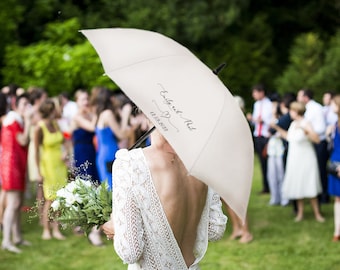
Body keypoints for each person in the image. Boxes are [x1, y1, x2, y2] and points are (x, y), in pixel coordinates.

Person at [103, 127, 227, 269]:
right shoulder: (202, 161)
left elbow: (130, 252)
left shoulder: (129, 164)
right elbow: (215, 229)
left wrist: (117, 226)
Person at [271, 101, 324, 222]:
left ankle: (317, 214)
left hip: (306, 157)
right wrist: (276, 127)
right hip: (294, 158)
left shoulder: (306, 123)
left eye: (291, 111)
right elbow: (289, 137)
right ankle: (300, 213)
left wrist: (306, 130)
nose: (290, 113)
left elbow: (317, 139)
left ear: (296, 111)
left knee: (310, 183)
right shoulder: (293, 124)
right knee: (298, 184)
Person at [70, 89, 102, 246]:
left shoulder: (89, 114)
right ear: (76, 101)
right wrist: (96, 112)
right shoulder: (77, 116)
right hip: (81, 152)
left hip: (91, 150)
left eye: (87, 98)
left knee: (94, 185)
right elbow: (91, 128)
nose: (86, 102)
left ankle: (86, 222)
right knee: (85, 185)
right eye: (82, 99)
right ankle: (82, 222)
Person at [1, 93, 31, 253]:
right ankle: (6, 240)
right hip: (11, 167)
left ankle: (17, 237)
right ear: (15, 106)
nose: (27, 107)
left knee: (17, 204)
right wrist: (27, 121)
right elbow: (23, 140)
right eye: (24, 104)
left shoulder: (13, 120)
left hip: (16, 165)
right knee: (12, 204)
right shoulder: (14, 121)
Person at [34, 99, 69, 240]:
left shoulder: (56, 124)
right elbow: (35, 151)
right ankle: (46, 229)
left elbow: (64, 140)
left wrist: (66, 152)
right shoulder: (39, 127)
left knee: (60, 198)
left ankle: (56, 228)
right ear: (50, 110)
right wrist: (38, 171)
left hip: (59, 165)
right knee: (49, 198)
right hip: (48, 165)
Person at [92, 87, 130, 190]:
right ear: (111, 98)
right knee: (115, 188)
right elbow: (121, 135)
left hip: (102, 155)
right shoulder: (108, 113)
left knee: (108, 188)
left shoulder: (99, 113)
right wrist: (125, 115)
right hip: (110, 154)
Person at [297, 89, 328, 203]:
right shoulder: (309, 108)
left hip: (319, 142)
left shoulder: (315, 108)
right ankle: (317, 195)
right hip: (311, 142)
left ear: (305, 97)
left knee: (320, 170)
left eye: (299, 96)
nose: (298, 98)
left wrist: (309, 131)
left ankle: (324, 197)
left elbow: (321, 128)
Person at [247, 84, 272, 194]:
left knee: (268, 162)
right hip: (258, 135)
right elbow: (256, 121)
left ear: (261, 92)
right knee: (262, 162)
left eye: (255, 93)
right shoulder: (256, 104)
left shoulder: (269, 104)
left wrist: (257, 119)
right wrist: (252, 119)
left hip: (266, 135)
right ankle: (265, 186)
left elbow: (266, 120)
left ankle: (270, 185)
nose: (254, 95)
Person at [326, 94, 340, 241]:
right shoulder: (335, 124)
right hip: (335, 162)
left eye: (334, 105)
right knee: (338, 199)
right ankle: (337, 231)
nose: (331, 107)